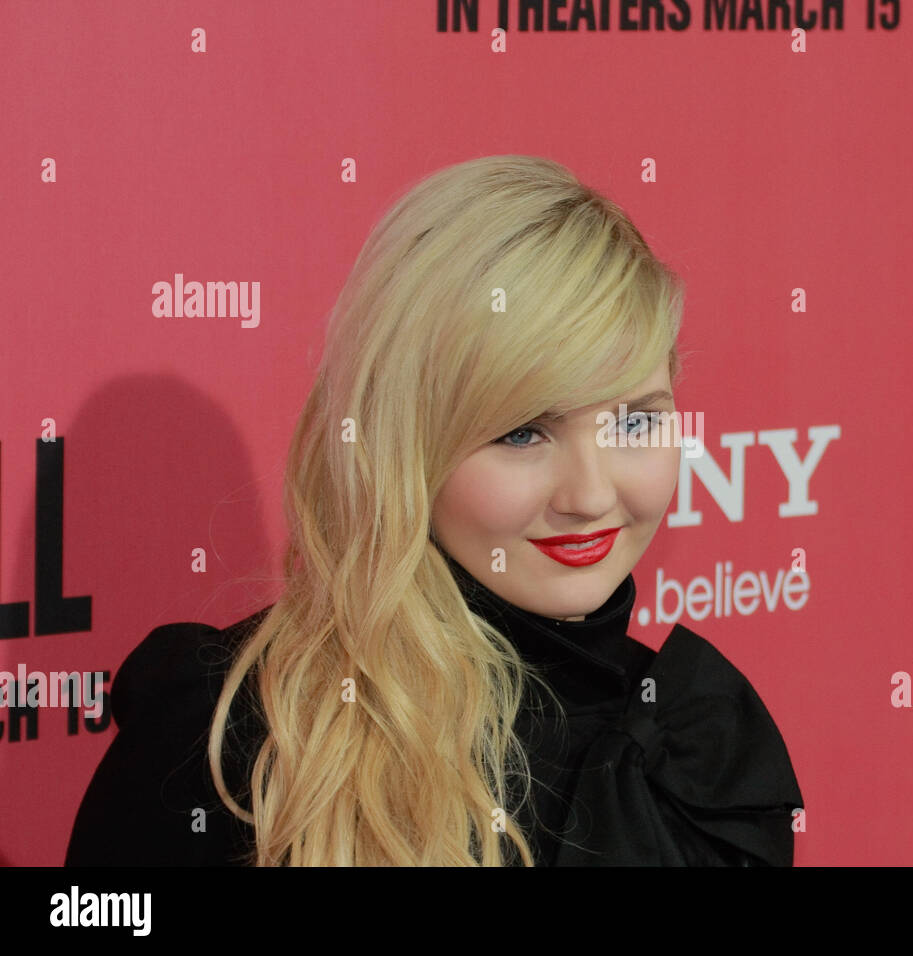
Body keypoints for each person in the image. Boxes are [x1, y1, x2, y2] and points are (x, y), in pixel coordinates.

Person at [64, 155, 803, 866]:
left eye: (634, 423)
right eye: (523, 432)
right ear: (405, 444)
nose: (591, 497)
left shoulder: (695, 754)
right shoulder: (231, 738)